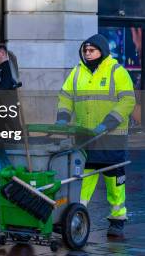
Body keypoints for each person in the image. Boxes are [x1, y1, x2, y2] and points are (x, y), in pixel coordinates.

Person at [55, 34, 135, 238]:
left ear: (102, 51)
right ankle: (75, 219)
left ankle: (117, 219)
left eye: (92, 50)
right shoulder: (76, 72)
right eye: (85, 50)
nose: (87, 54)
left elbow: (127, 101)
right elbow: (65, 97)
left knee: (115, 184)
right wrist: (62, 119)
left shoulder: (117, 71)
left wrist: (106, 124)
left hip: (112, 138)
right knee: (81, 181)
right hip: (85, 139)